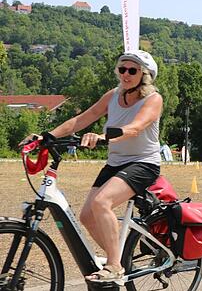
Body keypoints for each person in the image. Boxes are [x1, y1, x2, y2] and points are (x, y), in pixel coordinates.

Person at [20, 50, 162, 283]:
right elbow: (82, 119)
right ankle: (116, 257)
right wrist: (46, 137)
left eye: (132, 70)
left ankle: (115, 266)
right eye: (122, 69)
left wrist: (103, 137)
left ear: (144, 75)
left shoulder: (153, 99)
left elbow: (136, 128)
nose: (125, 74)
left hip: (143, 163)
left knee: (101, 202)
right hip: (116, 163)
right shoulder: (113, 95)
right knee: (87, 215)